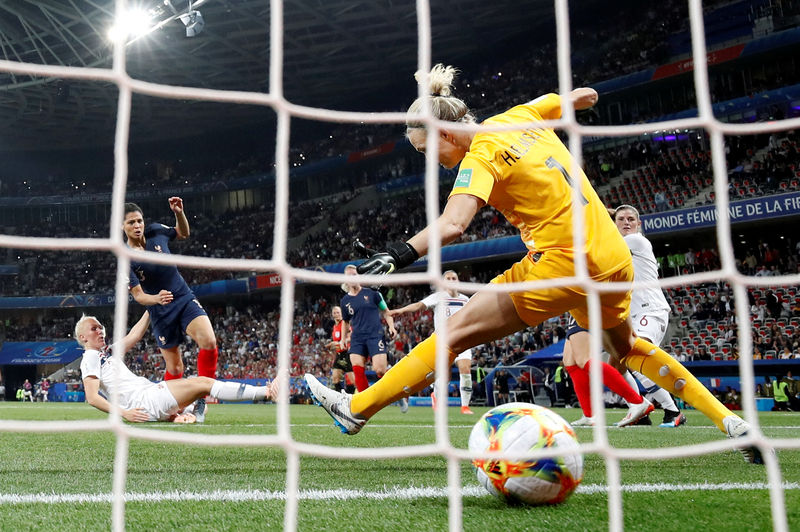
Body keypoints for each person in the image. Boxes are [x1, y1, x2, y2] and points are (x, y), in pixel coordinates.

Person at [304, 64, 762, 464]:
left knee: (454, 333)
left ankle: (356, 410)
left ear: (444, 133)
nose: (433, 162)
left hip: (561, 264)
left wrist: (399, 254)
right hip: (612, 261)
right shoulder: (516, 118)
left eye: (428, 152)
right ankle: (730, 423)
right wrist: (575, 102)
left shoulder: (479, 156)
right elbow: (584, 97)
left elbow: (455, 223)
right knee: (630, 349)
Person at [566, 205, 686, 428]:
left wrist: (595, 212)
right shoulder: (618, 251)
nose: (626, 223)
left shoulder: (637, 241)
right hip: (631, 315)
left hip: (651, 310)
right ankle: (639, 408)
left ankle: (673, 410)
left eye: (631, 219)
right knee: (615, 365)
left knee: (635, 358)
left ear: (639, 224)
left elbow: (597, 245)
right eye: (621, 219)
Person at [76, 313, 277, 423]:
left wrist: (150, 307)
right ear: (83, 338)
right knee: (203, 384)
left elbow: (135, 334)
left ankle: (178, 416)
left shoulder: (109, 352)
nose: (100, 331)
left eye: (101, 327)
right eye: (94, 329)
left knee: (200, 402)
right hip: (143, 401)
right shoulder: (91, 358)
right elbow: (92, 398)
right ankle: (267, 393)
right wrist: (124, 413)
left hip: (149, 395)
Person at [124, 199, 218, 422]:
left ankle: (201, 399)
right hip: (160, 310)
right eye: (131, 223)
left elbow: (183, 233)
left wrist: (179, 213)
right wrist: (156, 298)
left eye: (139, 220)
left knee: (209, 341)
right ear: (122, 226)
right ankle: (169, 409)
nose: (137, 226)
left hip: (183, 298)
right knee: (175, 367)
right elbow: (138, 295)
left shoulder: (156, 231)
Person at [390, 270, 475, 414]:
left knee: (465, 369)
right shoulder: (438, 297)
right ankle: (436, 397)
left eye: (454, 278)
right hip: (444, 341)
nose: (451, 280)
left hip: (462, 339)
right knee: (444, 375)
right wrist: (401, 311)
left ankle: (465, 406)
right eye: (448, 278)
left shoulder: (466, 300)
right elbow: (418, 306)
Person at [339, 265, 406, 412]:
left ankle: (398, 394)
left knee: (380, 370)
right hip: (357, 338)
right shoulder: (344, 301)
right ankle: (366, 405)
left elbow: (386, 312)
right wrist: (343, 338)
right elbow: (345, 321)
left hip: (374, 335)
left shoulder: (373, 294)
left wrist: (392, 327)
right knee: (357, 368)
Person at [326, 306, 355, 394]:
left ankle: (356, 398)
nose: (336, 314)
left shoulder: (344, 324)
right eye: (334, 313)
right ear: (332, 315)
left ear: (341, 313)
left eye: (338, 312)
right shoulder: (335, 327)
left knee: (353, 381)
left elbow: (351, 337)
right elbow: (336, 343)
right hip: (339, 355)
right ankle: (341, 399)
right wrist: (332, 345)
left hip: (348, 354)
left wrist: (338, 343)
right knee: (335, 378)